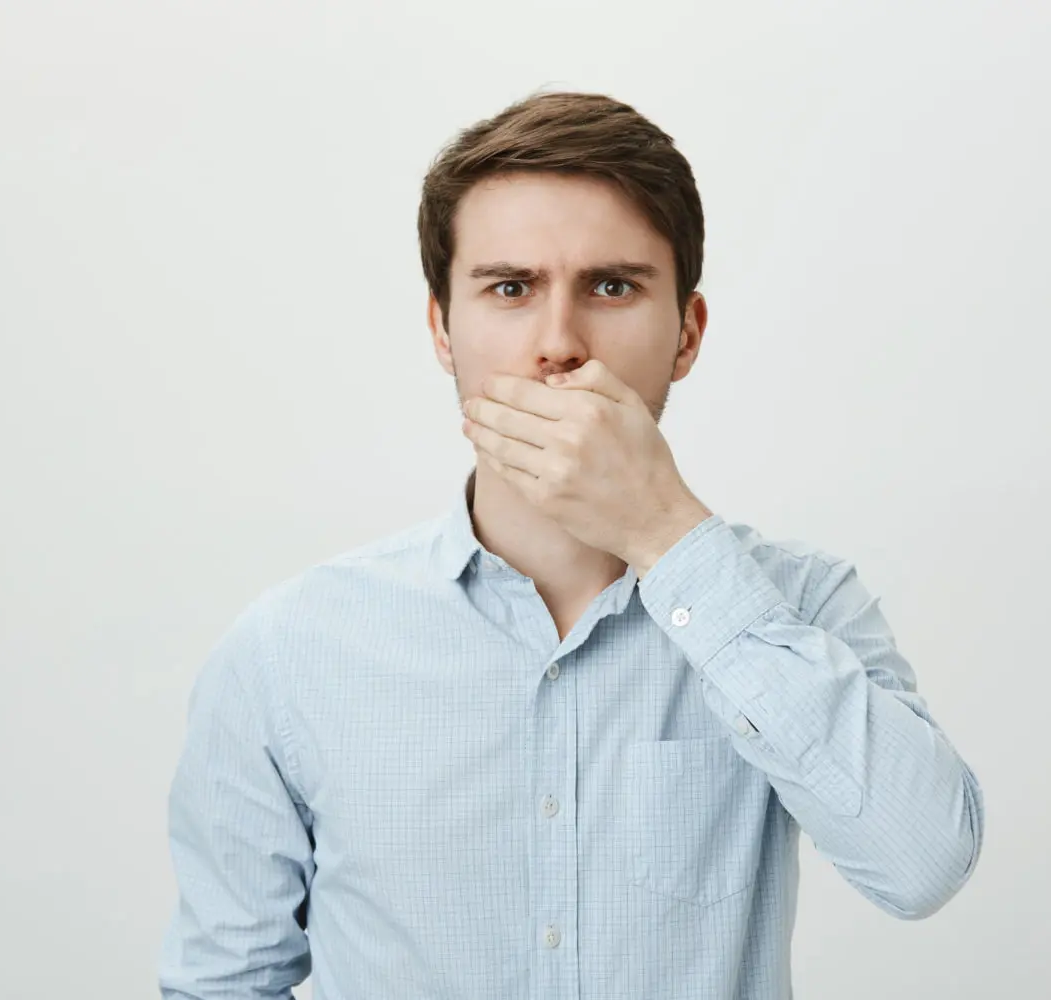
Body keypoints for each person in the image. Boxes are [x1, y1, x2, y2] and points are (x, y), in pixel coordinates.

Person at [158, 90, 985, 1000]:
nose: (559, 344)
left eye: (613, 286)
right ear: (442, 327)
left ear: (687, 333)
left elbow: (923, 865)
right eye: (510, 289)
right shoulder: (289, 652)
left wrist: (664, 530)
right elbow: (221, 985)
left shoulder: (801, 606)